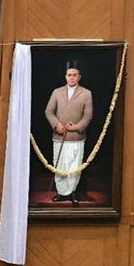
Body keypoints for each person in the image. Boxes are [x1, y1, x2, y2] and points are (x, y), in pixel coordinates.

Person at [45, 62, 94, 205]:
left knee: (74, 166)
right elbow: (49, 112)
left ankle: (72, 192)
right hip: (59, 136)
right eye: (69, 75)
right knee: (59, 165)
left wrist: (77, 127)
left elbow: (88, 116)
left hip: (76, 138)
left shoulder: (86, 93)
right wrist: (56, 125)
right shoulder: (57, 92)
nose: (72, 78)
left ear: (79, 77)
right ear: (65, 77)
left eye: (75, 75)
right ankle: (61, 192)